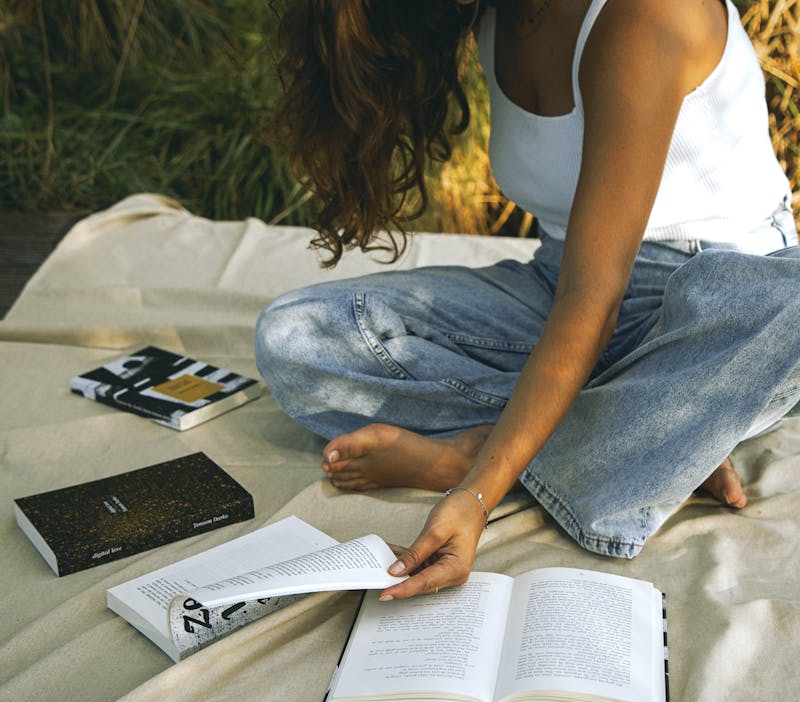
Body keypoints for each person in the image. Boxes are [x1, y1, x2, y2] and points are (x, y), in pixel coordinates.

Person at [256, 0, 800, 600]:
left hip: (715, 301)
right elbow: (578, 288)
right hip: (561, 280)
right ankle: (645, 429)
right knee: (298, 335)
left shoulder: (646, 15)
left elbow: (595, 301)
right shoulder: (492, 15)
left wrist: (476, 491)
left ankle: (484, 454)